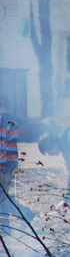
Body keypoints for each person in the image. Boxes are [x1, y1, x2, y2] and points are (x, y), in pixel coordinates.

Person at [0, 95, 21, 231]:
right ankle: (25, 212)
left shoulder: (3, 120)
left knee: (3, 195)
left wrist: (1, 169)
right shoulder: (10, 118)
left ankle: (5, 226)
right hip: (10, 162)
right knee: (4, 193)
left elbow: (1, 146)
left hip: (5, 164)